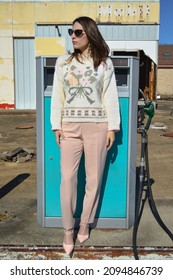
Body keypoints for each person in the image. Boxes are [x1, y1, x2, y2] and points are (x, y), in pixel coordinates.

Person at [50, 16, 120, 255]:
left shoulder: (104, 64)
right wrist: (56, 126)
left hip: (98, 127)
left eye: (78, 32)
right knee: (68, 179)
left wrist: (112, 127)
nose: (73, 36)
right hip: (69, 127)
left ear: (90, 34)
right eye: (71, 31)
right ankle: (68, 228)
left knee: (93, 180)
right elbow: (57, 95)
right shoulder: (63, 62)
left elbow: (110, 96)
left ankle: (84, 223)